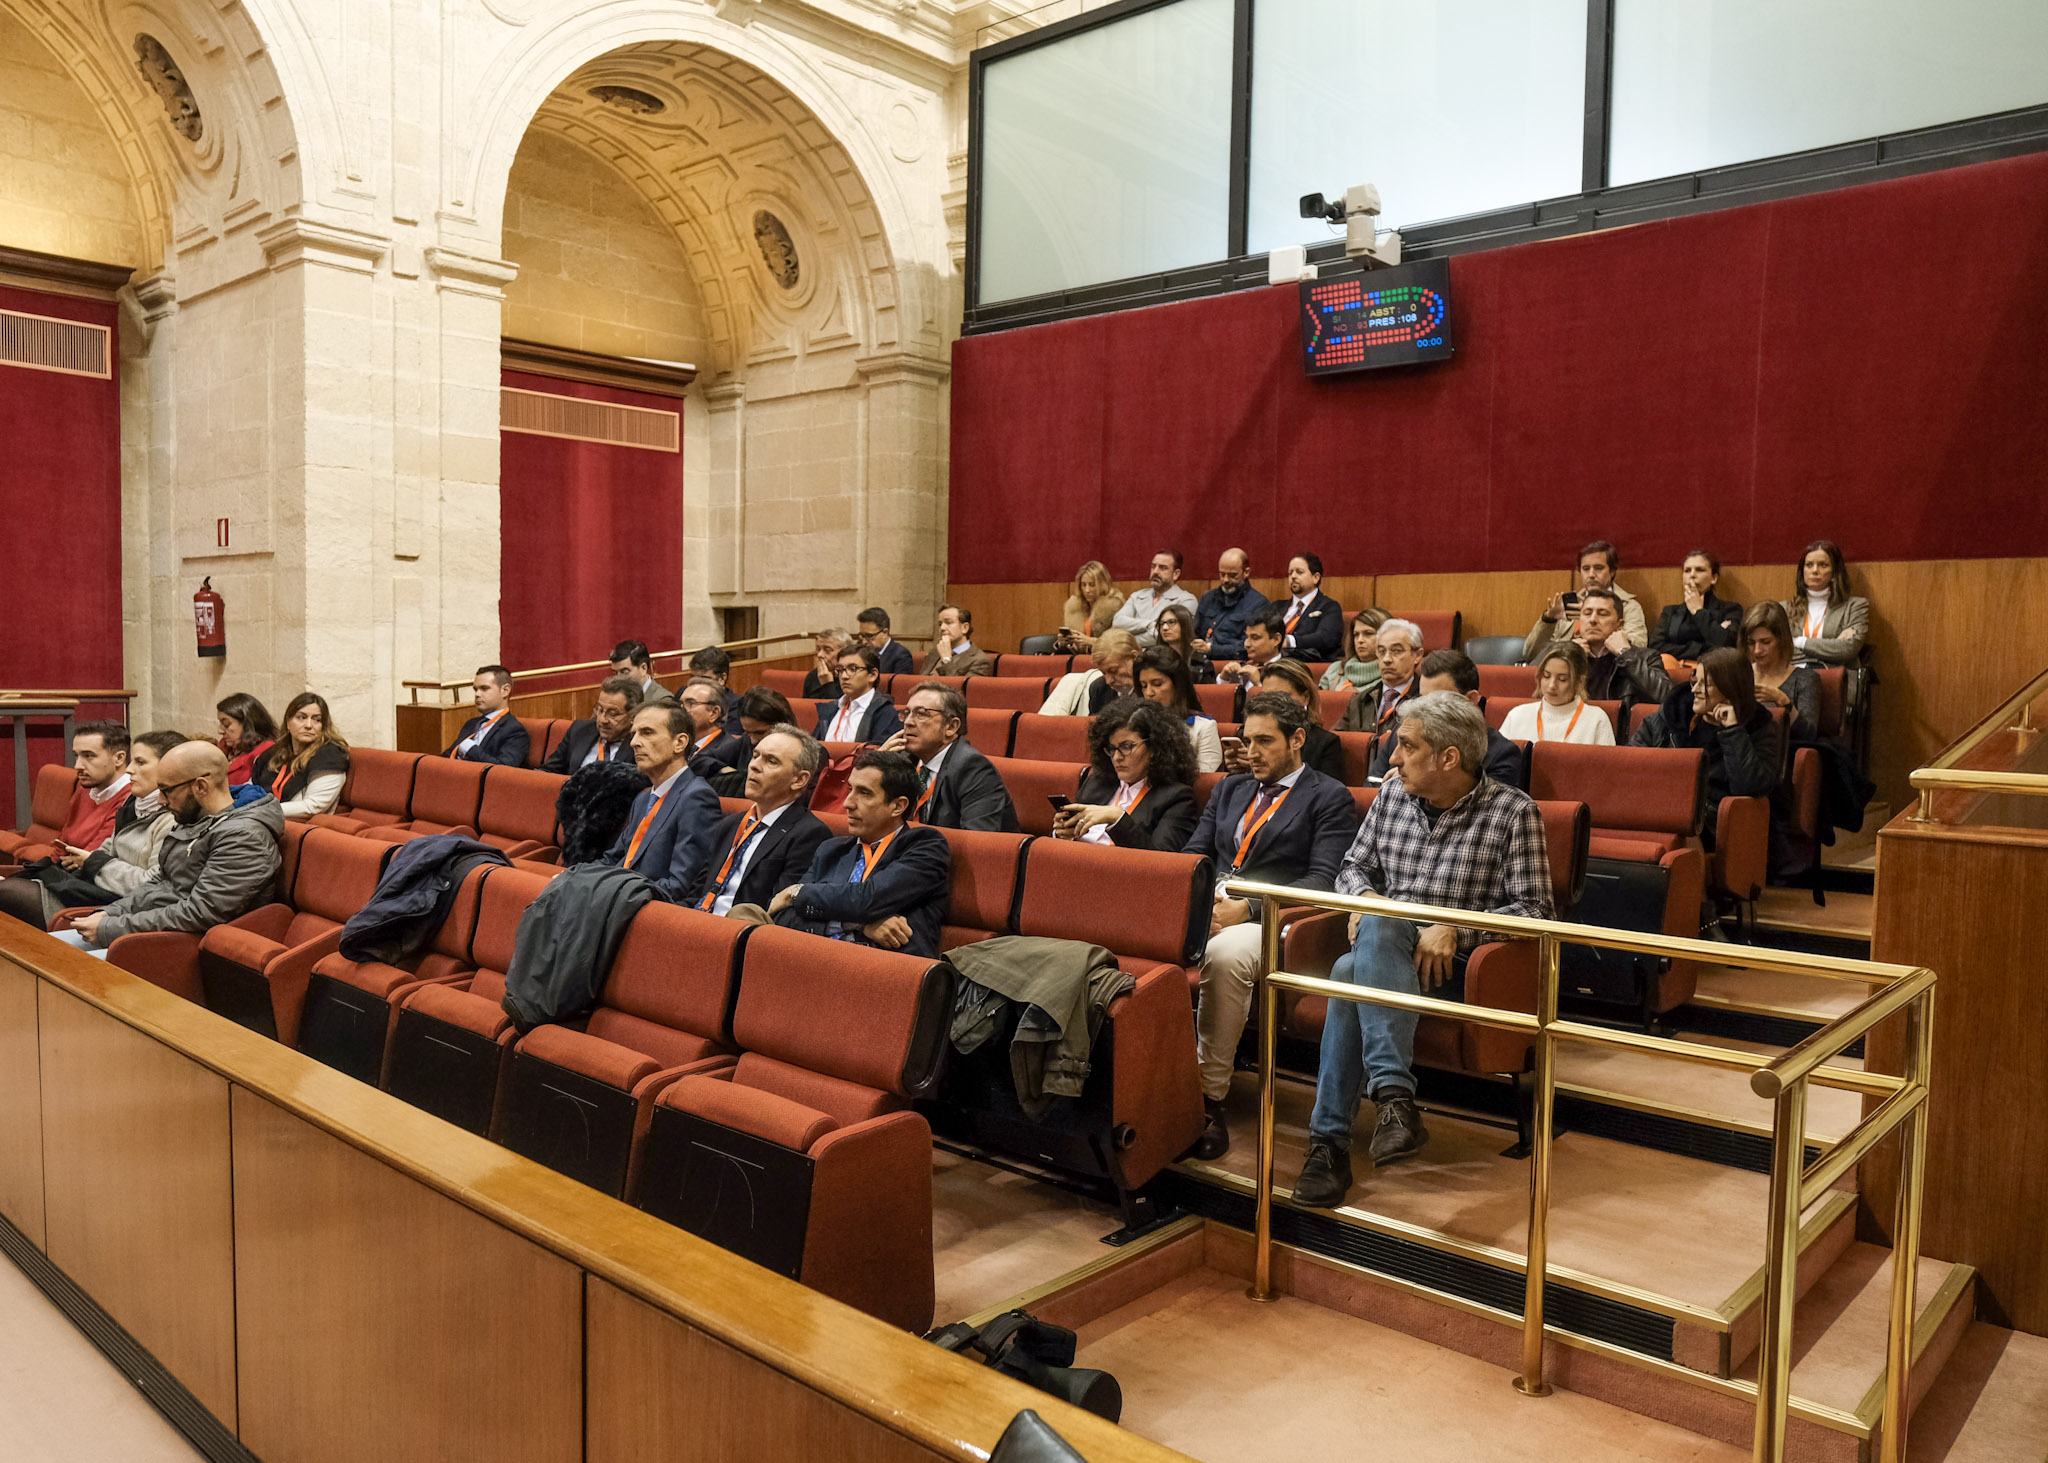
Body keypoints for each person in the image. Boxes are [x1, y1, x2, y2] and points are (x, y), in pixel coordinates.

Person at [1292, 693, 1555, 1207]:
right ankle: (1390, 1103)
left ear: (1448, 757)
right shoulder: (1391, 798)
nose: (1391, 759)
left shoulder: (1513, 812)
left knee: (1352, 968)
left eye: (1406, 747)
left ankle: (1330, 1145)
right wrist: (1365, 899)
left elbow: (1537, 913)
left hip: (1455, 969)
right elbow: (1351, 869)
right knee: (1367, 948)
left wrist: (1456, 928)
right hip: (1385, 949)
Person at [1182, 693, 1361, 1158]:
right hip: (1209, 902)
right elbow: (1196, 854)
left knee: (1225, 955)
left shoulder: (1328, 795)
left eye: (1265, 741)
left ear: (1298, 739)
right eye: (1247, 739)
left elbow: (1323, 880)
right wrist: (1188, 897)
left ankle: (1206, 1098)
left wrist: (1250, 907)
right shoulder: (1230, 788)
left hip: (1278, 917)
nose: (1251, 751)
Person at [52, 743, 285, 959]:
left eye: (166, 790)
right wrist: (110, 913)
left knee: (63, 968)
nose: (161, 800)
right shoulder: (198, 817)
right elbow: (160, 881)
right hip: (159, 930)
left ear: (200, 786)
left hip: (191, 946)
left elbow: (200, 913)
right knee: (47, 951)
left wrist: (111, 927)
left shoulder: (243, 836)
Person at [768, 749, 951, 958]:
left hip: (886, 972)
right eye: (850, 789)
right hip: (817, 962)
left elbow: (868, 899)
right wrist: (853, 924)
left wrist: (797, 892)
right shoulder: (831, 850)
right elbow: (783, 918)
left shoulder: (925, 846)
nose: (847, 803)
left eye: (864, 793)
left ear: (897, 806)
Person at [0, 730, 185, 929]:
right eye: (132, 761)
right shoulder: (133, 805)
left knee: (8, 892)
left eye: (140, 762)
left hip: (116, 905)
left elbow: (152, 884)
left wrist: (93, 862)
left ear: (170, 769)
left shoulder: (172, 820)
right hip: (92, 887)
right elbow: (103, 851)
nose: (130, 769)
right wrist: (92, 862)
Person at [1630, 647, 1785, 834]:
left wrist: (1733, 731)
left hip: (1711, 824)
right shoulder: (1673, 713)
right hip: (1658, 807)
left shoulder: (1757, 726)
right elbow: (1632, 764)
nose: (1695, 690)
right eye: (1695, 681)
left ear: (1730, 689)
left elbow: (1749, 789)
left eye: (1706, 684)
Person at [689, 725, 833, 917]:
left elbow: (778, 913)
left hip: (740, 933)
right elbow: (698, 891)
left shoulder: (809, 834)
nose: (754, 765)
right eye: (755, 755)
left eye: (771, 761)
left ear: (799, 780)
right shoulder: (730, 824)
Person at [597, 703, 721, 902]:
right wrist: (577, 877)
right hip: (623, 898)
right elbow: (613, 858)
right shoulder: (644, 798)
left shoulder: (696, 798)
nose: (634, 742)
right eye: (634, 734)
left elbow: (680, 885)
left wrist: (612, 892)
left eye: (647, 733)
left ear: (679, 743)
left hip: (649, 908)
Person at [1054, 697, 1200, 852]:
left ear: (1154, 748)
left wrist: (1118, 818)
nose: (1117, 757)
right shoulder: (1097, 782)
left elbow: (1161, 862)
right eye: (1111, 748)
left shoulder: (1177, 798)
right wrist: (1065, 833)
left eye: (1126, 746)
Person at [883, 682, 1019, 832]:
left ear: (951, 727)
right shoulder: (904, 760)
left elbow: (977, 841)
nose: (908, 722)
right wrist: (877, 768)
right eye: (907, 713)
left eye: (921, 713)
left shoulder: (973, 769)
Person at [12, 720, 132, 859]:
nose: (77, 766)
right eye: (77, 755)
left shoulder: (129, 800)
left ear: (119, 758)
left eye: (88, 756)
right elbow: (63, 844)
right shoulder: (86, 786)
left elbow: (88, 859)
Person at [1416, 649, 1532, 787]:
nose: (1426, 710)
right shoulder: (1403, 738)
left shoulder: (1500, 754)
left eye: (1438, 701)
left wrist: (1419, 778)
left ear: (1470, 699)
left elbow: (1490, 807)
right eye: (1423, 700)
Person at [1523, 539, 1648, 660]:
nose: (1592, 575)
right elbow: (1530, 653)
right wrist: (1549, 620)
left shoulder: (1629, 606)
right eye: (1586, 569)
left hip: (1608, 669)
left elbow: (1638, 647)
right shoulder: (1568, 605)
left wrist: (1590, 616)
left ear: (1612, 572)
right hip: (1566, 669)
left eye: (1598, 568)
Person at [1236, 658, 1346, 783]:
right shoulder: (1247, 735)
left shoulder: (1325, 743)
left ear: (1305, 698)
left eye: (1282, 697)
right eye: (1266, 697)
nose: (1272, 704)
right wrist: (1239, 770)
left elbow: (1324, 793)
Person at [249, 693, 352, 819]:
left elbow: (313, 806)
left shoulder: (330, 755)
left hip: (298, 823)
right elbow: (251, 786)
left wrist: (259, 810)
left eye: (317, 719)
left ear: (323, 726)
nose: (308, 725)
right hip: (265, 817)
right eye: (301, 717)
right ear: (288, 722)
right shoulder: (275, 752)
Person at [1497, 643, 1616, 748]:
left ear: (1579, 681)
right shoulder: (1517, 715)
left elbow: (1606, 769)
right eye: (1547, 676)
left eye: (1562, 679)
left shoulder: (1596, 719)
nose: (1551, 685)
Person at [1567, 589, 1670, 708]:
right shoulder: (1566, 654)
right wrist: (1568, 657)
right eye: (1587, 613)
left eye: (1603, 613)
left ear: (1619, 625)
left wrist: (1625, 654)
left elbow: (1665, 696)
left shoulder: (1646, 657)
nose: (1593, 620)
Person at [1651, 549, 1744, 681]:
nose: (1692, 575)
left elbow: (1727, 647)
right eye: (1687, 570)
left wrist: (1698, 612)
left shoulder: (1731, 610)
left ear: (1714, 578)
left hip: (1715, 676)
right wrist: (1703, 648)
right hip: (1673, 677)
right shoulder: (1670, 612)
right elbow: (1656, 648)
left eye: (1700, 570)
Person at [1337, 619, 1423, 751]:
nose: (1387, 659)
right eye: (1382, 652)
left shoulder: (1425, 701)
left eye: (1396, 651)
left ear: (1417, 655)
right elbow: (1338, 742)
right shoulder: (1359, 701)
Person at [1135, 646, 1223, 773]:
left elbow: (1204, 784)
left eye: (1157, 684)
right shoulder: (1134, 726)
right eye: (1144, 686)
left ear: (1177, 685)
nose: (1149, 693)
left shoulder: (1203, 727)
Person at [1784, 538, 1870, 667]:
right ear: (1802, 571)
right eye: (1809, 565)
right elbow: (1779, 651)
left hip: (1836, 679)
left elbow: (1848, 649)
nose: (1814, 570)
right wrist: (1831, 649)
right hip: (1792, 679)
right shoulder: (1784, 609)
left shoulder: (1855, 607)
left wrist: (1798, 642)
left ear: (1835, 572)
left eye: (1823, 565)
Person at [1743, 602, 1820, 739]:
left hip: (1783, 753)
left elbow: (1808, 736)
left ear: (1781, 640)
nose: (1757, 650)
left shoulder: (1805, 679)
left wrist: (1783, 700)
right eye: (1751, 643)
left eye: (1766, 642)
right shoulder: (1740, 674)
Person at [541, 676, 642, 774]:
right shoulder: (579, 730)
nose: (602, 720)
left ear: (632, 715)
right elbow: (548, 772)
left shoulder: (640, 744)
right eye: (600, 709)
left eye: (612, 713)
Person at [1192, 547, 1269, 664]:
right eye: (1222, 574)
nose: (1225, 580)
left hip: (1234, 665)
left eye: (1232, 575)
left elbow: (1251, 646)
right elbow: (1194, 632)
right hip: (1200, 663)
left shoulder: (1259, 604)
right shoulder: (1208, 598)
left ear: (1246, 572)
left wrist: (1212, 650)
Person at [814, 644, 904, 744]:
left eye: (853, 669)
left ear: (872, 675)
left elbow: (880, 756)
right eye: (840, 670)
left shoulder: (886, 713)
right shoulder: (832, 709)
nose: (844, 676)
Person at [1040, 629, 1140, 716]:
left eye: (1114, 671)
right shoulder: (1098, 688)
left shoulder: (1151, 688)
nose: (1108, 681)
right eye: (1104, 673)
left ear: (1134, 658)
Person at [1111, 550, 1200, 646]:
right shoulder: (1136, 596)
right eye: (1153, 567)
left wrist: (1124, 641)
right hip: (1128, 655)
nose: (1155, 571)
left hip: (1165, 658)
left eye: (1163, 568)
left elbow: (1162, 635)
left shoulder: (1186, 600)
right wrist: (1149, 624)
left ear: (1176, 574)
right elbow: (1117, 622)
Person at [446, 665, 530, 765]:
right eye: (475, 689)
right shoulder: (471, 724)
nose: (477, 694)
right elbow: (448, 755)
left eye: (484, 688)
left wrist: (471, 749)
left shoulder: (515, 731)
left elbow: (503, 770)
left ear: (505, 691)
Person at [680, 676, 749, 785]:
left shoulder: (729, 749)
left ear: (714, 713)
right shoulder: (675, 743)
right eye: (681, 704)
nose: (681, 710)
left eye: (691, 704)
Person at [1276, 553, 1344, 661]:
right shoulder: (1276, 607)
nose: (1293, 576)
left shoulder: (1329, 607)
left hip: (1302, 663)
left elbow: (1325, 638)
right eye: (1290, 573)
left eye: (1299, 572)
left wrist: (1288, 641)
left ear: (1315, 577)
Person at [1215, 606, 1289, 690]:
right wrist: (1223, 679)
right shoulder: (1241, 668)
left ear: (1276, 639)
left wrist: (1258, 685)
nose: (1247, 644)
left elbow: (1281, 702)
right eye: (1247, 637)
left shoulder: (1288, 673)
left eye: (1255, 638)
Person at [1060, 560, 1126, 650]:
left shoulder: (1115, 606)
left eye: (1092, 585)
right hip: (1079, 660)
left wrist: (1093, 642)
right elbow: (1077, 647)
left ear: (1103, 584)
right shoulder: (1074, 607)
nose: (1087, 590)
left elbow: (1121, 643)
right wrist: (1065, 642)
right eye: (1083, 585)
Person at [1320, 609, 1390, 694]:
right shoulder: (1335, 669)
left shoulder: (1394, 674)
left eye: (1368, 633)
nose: (1360, 640)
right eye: (1356, 635)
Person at [215, 692, 278, 785]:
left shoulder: (265, 752)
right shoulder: (225, 748)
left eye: (226, 724)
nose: (220, 730)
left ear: (247, 724)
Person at [923, 604, 993, 678]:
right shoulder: (935, 653)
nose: (942, 628)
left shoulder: (980, 660)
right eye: (940, 624)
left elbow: (962, 688)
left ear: (964, 628)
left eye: (948, 622)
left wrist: (947, 660)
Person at [689, 646, 745, 733]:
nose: (697, 685)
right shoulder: (683, 695)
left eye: (704, 679)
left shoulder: (737, 705)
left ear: (722, 679)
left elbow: (728, 741)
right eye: (693, 678)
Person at [1155, 603, 1213, 683]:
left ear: (1184, 624)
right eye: (1162, 624)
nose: (1164, 628)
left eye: (1171, 622)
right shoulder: (1154, 661)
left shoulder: (1200, 662)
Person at [608, 640, 677, 707]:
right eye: (615, 673)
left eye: (624, 672)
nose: (618, 678)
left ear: (643, 668)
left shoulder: (663, 701)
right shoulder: (614, 695)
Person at [856, 606, 916, 677]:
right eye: (862, 635)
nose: (864, 641)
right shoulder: (859, 649)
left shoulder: (901, 655)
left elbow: (899, 685)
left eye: (869, 636)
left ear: (885, 632)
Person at [804, 628, 850, 700]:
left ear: (844, 652)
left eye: (827, 650)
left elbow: (840, 709)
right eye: (818, 649)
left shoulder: (852, 677)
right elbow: (805, 706)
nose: (820, 655)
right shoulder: (813, 675)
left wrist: (827, 684)